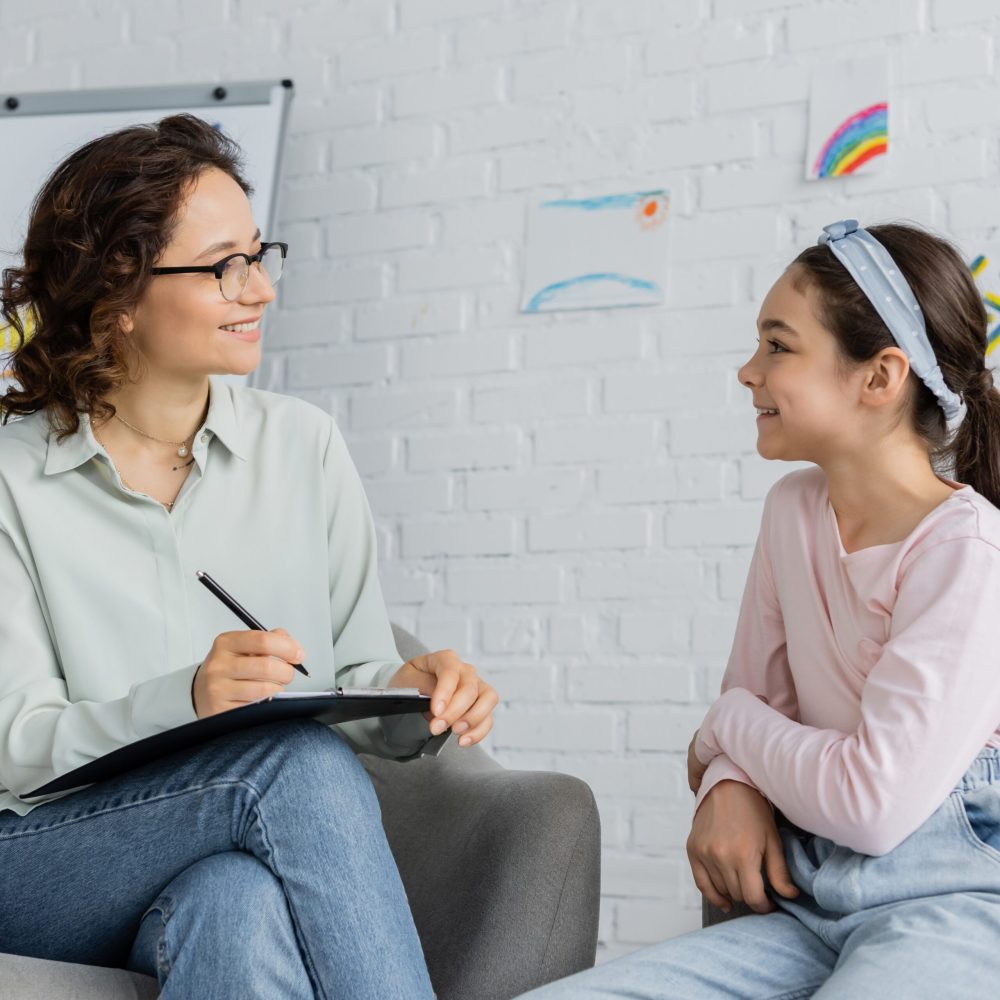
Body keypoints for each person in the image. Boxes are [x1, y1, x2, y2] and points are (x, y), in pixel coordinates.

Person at [0, 114, 498, 999]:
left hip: (212, 851)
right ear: (116, 293)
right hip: (40, 854)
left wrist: (412, 692)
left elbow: (350, 665)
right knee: (294, 768)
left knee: (230, 906)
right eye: (226, 265)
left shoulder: (304, 446)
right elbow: (16, 744)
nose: (260, 290)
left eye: (261, 256)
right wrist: (186, 701)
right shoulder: (9, 475)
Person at [517, 219, 1000, 998]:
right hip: (813, 901)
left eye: (778, 346)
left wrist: (724, 729)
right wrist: (727, 782)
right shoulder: (793, 512)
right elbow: (758, 698)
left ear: (879, 377)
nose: (748, 372)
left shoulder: (967, 552)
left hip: (955, 902)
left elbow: (871, 803)